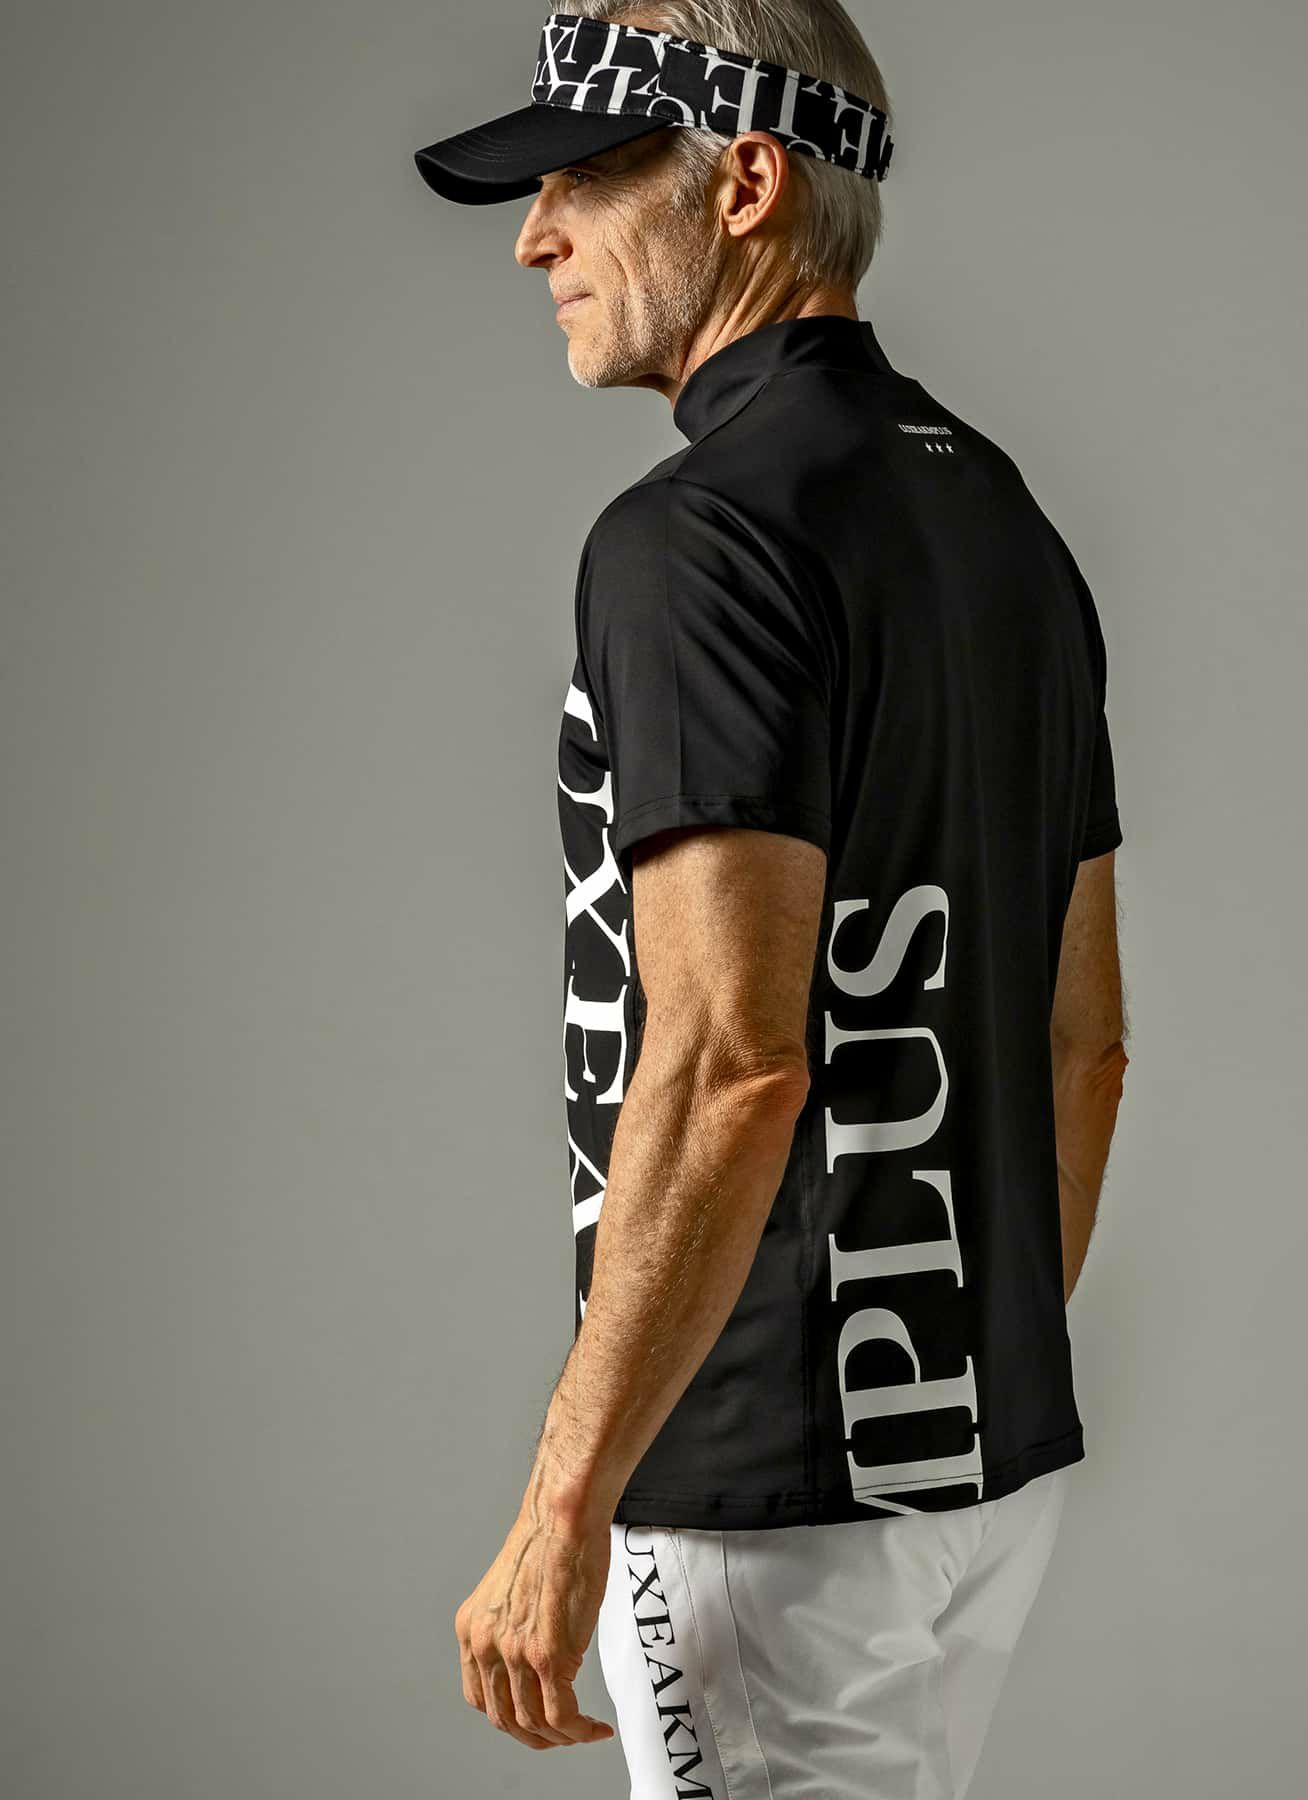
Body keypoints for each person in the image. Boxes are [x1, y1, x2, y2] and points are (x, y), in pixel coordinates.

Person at [414, 5, 1129, 1794]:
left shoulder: (693, 543)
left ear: (744, 184)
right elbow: (1087, 1043)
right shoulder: (1004, 522)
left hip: (762, 1492)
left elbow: (733, 1063)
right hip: (972, 1470)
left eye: (583, 180)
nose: (535, 237)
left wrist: (564, 1511)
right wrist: (961, 1402)